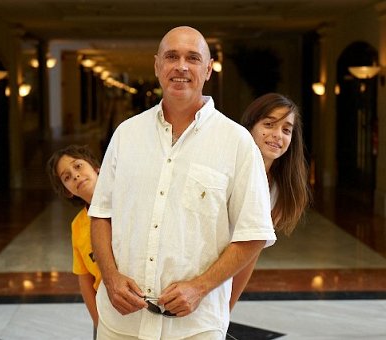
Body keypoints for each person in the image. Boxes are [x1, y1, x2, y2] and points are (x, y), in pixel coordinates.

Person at [88, 26, 276, 340]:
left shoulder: (237, 143)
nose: (181, 66)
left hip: (195, 326)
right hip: (120, 322)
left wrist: (199, 288)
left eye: (193, 58)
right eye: (171, 56)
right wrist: (110, 277)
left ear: (208, 69)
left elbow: (253, 234)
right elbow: (101, 214)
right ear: (157, 66)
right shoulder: (126, 135)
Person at [230, 93, 311, 310]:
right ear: (249, 127)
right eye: (268, 124)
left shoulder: (276, 188)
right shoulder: (227, 172)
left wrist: (227, 309)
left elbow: (250, 252)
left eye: (286, 130)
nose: (277, 135)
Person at [46, 144, 102, 339]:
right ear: (68, 191)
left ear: (97, 168)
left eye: (78, 166)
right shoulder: (78, 225)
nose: (75, 176)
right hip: (107, 314)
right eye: (67, 177)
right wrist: (99, 324)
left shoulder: (127, 202)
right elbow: (85, 280)